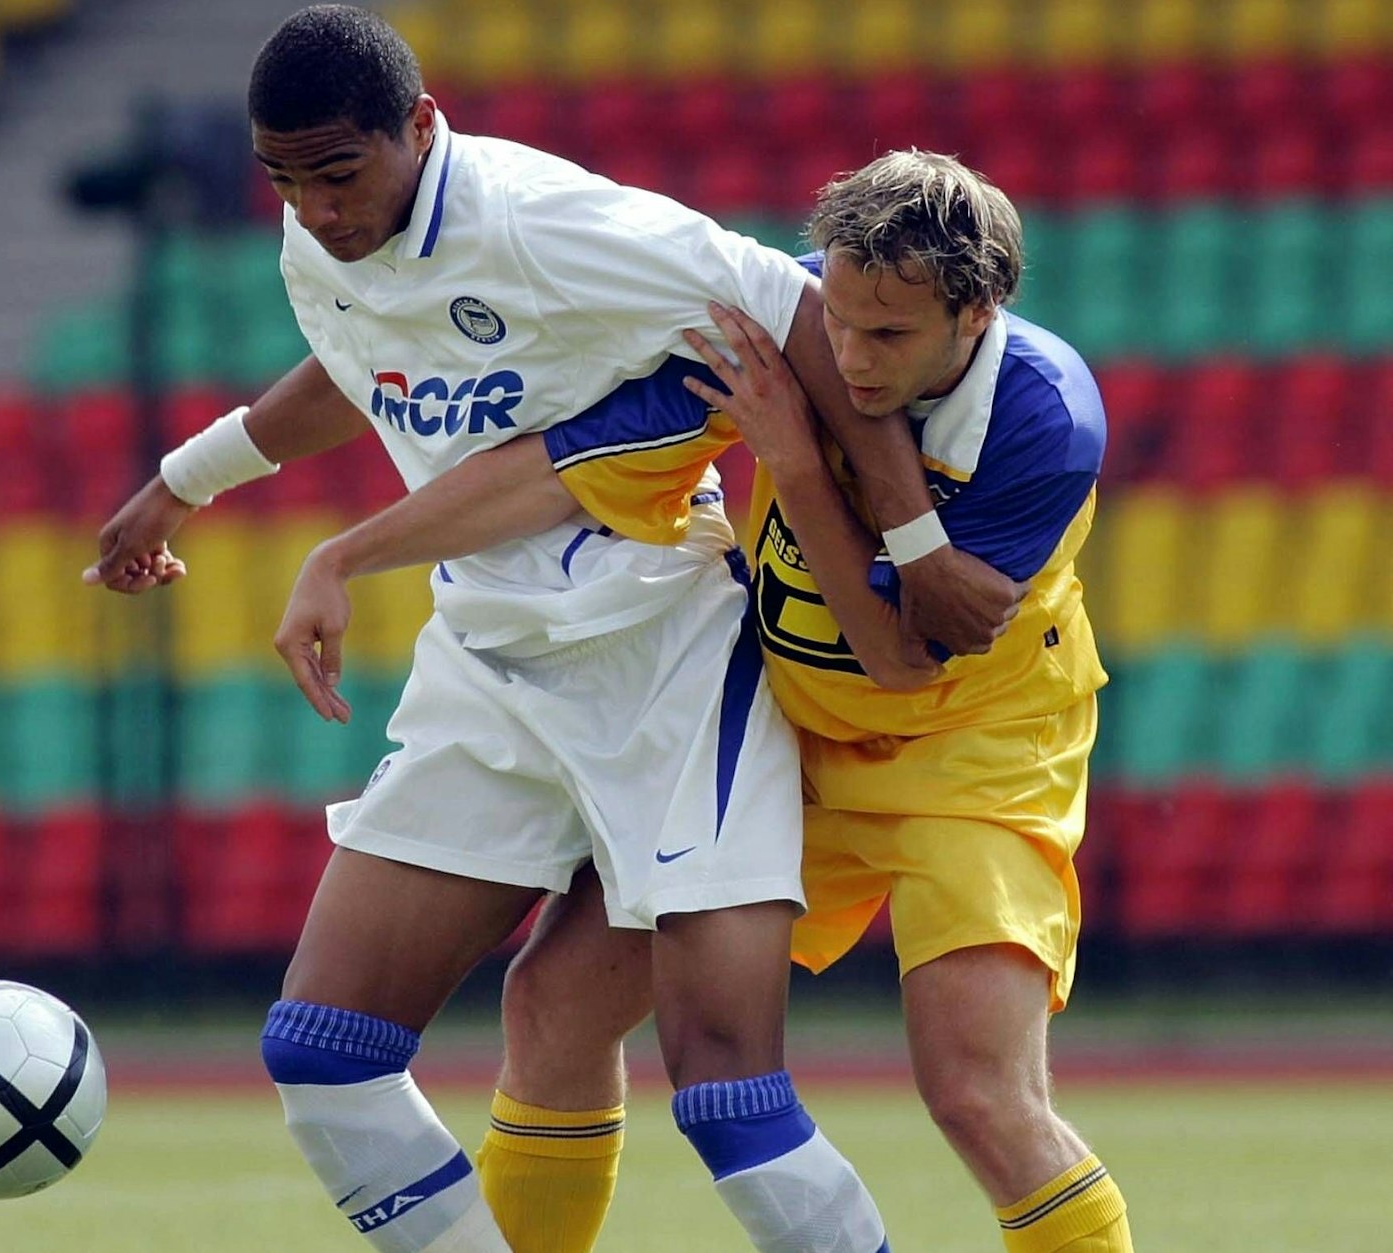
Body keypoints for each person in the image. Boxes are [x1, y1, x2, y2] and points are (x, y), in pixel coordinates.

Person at [87, 10, 1015, 1251]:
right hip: (490, 656)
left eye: (337, 173)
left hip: (661, 655)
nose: (312, 208)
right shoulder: (321, 241)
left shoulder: (544, 221)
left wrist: (911, 540)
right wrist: (184, 479)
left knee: (724, 1088)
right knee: (322, 1050)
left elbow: (792, 309)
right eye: (284, 180)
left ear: (421, 127)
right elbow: (364, 362)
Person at [333, 151, 1127, 1253]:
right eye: (836, 321)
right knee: (555, 1006)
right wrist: (340, 551)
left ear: (976, 312)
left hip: (972, 760)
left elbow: (901, 660)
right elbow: (568, 461)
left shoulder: (1040, 417)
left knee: (976, 1094)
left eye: (887, 335)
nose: (849, 356)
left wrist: (795, 463)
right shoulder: (780, 324)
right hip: (788, 736)